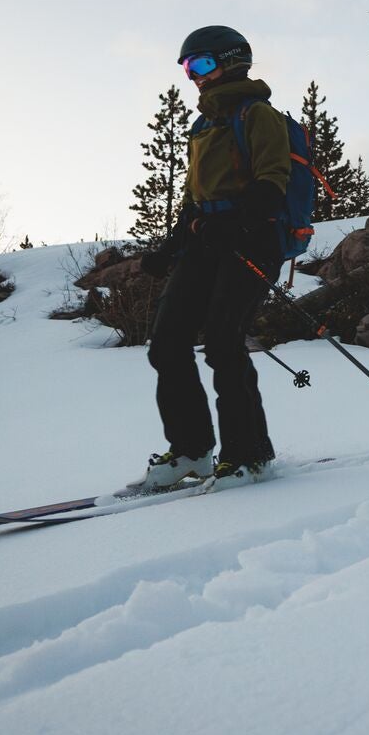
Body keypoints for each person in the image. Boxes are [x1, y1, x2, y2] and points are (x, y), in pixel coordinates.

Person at [132, 25, 288, 492]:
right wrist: (169, 248)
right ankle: (192, 451)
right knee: (167, 342)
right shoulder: (203, 126)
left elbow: (272, 183)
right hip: (205, 242)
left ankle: (250, 455)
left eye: (199, 64)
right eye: (186, 67)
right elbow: (193, 201)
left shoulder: (257, 114)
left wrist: (237, 224)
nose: (192, 76)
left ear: (231, 60)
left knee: (223, 341)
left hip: (252, 241)